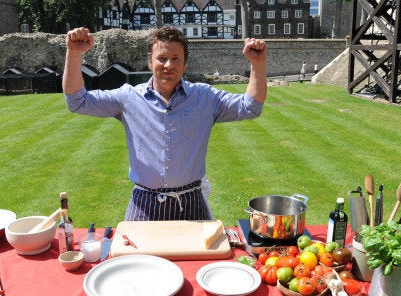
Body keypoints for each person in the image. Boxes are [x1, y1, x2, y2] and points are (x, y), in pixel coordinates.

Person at [62, 26, 267, 221]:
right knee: (138, 258)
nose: (168, 65)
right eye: (161, 58)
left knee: (198, 259)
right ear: (150, 62)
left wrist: (257, 64)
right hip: (144, 203)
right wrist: (74, 53)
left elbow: (251, 107)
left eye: (175, 58)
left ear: (185, 64)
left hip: (191, 202)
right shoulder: (129, 98)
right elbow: (77, 102)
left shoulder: (204, 97)